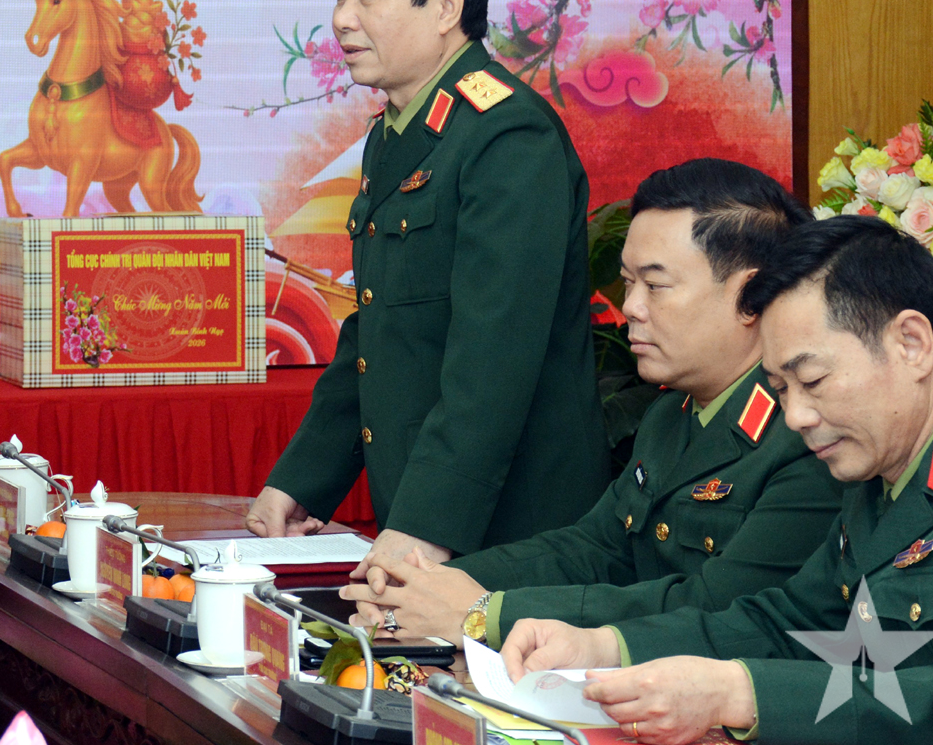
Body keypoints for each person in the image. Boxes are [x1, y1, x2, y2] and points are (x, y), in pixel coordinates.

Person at [501, 216, 933, 744]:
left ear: (911, 343)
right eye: (780, 388)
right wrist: (604, 645)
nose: (796, 416)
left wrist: (738, 694)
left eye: (813, 380)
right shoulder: (888, 459)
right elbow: (792, 619)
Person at [339, 158, 842, 646]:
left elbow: (715, 609)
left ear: (750, 297)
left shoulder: (808, 435)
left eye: (655, 286)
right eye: (628, 283)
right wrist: (426, 583)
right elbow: (595, 548)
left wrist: (486, 613)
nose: (631, 308)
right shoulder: (671, 414)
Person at [248, 0, 610, 566]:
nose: (342, 19)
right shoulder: (396, 133)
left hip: (510, 533)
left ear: (445, 7)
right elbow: (377, 332)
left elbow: (492, 362)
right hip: (424, 521)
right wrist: (302, 482)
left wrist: (423, 528)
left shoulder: (507, 135)